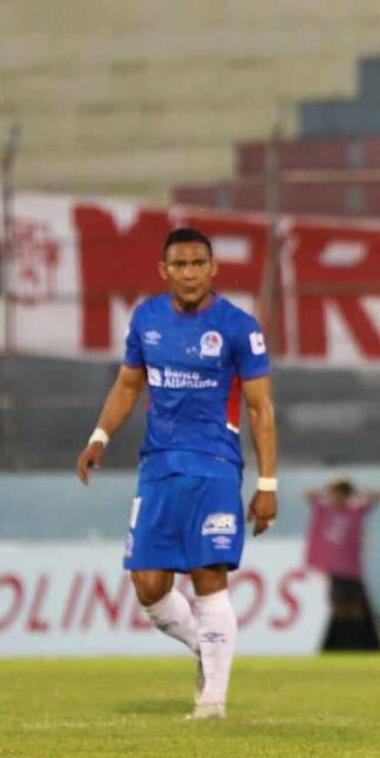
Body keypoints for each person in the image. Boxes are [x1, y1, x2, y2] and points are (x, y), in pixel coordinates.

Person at [76, 227, 278, 720]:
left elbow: (260, 408)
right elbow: (127, 385)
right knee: (148, 585)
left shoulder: (238, 326)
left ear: (213, 269)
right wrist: (99, 437)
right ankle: (204, 649)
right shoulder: (146, 320)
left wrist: (267, 483)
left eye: (198, 264)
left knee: (209, 577)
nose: (189, 273)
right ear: (164, 271)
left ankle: (213, 701)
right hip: (159, 467)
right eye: (180, 265)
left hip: (214, 467)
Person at [305, 477, 380, 652]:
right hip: (334, 568)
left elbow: (379, 495)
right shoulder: (325, 509)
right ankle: (339, 642)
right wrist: (328, 494)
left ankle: (357, 641)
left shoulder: (355, 509)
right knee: (338, 606)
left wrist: (355, 494)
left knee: (356, 606)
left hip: (353, 568)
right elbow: (308, 494)